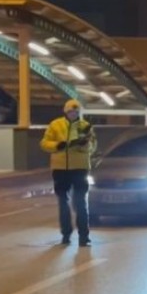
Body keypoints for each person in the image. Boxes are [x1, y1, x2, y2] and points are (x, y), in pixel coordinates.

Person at [40, 99, 97, 247]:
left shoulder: (85, 126)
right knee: (63, 201)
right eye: (71, 111)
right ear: (65, 111)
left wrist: (83, 146)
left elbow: (92, 146)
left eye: (76, 111)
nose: (74, 114)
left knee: (80, 202)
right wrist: (58, 145)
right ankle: (66, 234)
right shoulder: (55, 125)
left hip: (79, 168)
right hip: (60, 169)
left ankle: (84, 236)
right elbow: (45, 143)